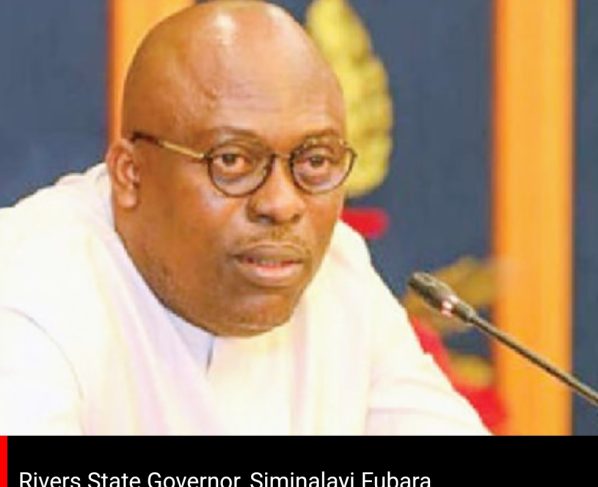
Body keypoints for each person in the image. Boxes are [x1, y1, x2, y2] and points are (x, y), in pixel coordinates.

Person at [0, 0, 488, 435]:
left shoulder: (339, 272)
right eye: (232, 161)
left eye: (315, 161)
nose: (281, 203)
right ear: (131, 174)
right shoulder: (29, 286)